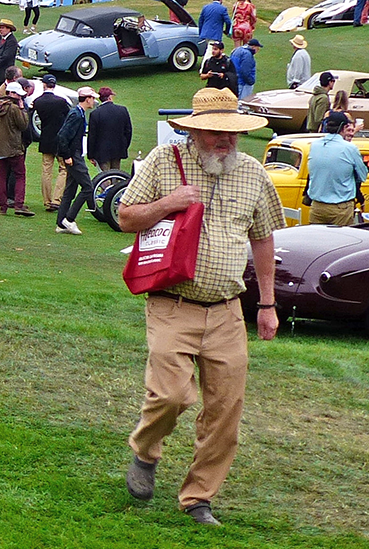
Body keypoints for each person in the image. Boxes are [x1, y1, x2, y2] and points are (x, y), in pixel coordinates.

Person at [115, 88, 283, 527]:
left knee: (226, 410)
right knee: (171, 395)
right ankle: (146, 451)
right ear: (193, 132)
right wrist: (170, 203)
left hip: (228, 310)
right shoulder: (162, 161)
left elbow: (263, 239)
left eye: (232, 134)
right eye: (215, 133)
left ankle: (198, 497)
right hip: (173, 304)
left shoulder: (252, 173)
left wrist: (267, 304)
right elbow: (125, 216)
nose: (225, 142)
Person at [305, 112, 368, 225]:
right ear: (344, 127)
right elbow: (363, 175)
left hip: (317, 206)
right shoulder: (350, 148)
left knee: (317, 240)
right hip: (341, 207)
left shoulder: (314, 145)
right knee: (341, 241)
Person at [52, 87, 98, 234]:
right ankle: (69, 219)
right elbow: (62, 136)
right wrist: (67, 156)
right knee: (87, 187)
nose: (94, 101)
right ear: (87, 99)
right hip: (73, 155)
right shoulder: (76, 115)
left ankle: (61, 224)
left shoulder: (79, 113)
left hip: (74, 154)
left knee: (70, 190)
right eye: (92, 98)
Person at [0, 80, 33, 216]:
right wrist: (22, 109)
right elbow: (23, 125)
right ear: (12, 94)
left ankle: (3, 207)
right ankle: (18, 205)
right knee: (20, 175)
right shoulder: (14, 108)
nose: (20, 97)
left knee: (1, 176)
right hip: (12, 147)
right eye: (19, 94)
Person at [31, 76, 70, 211]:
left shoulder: (38, 102)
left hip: (46, 139)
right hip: (60, 140)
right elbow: (68, 119)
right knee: (63, 169)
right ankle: (56, 199)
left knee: (46, 171)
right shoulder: (61, 102)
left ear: (44, 85)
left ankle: (47, 201)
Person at [86, 87, 131, 171]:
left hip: (101, 152)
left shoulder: (95, 114)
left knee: (105, 178)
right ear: (110, 97)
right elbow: (128, 132)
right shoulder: (122, 110)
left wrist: (90, 155)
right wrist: (124, 146)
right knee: (116, 175)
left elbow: (92, 136)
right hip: (118, 150)